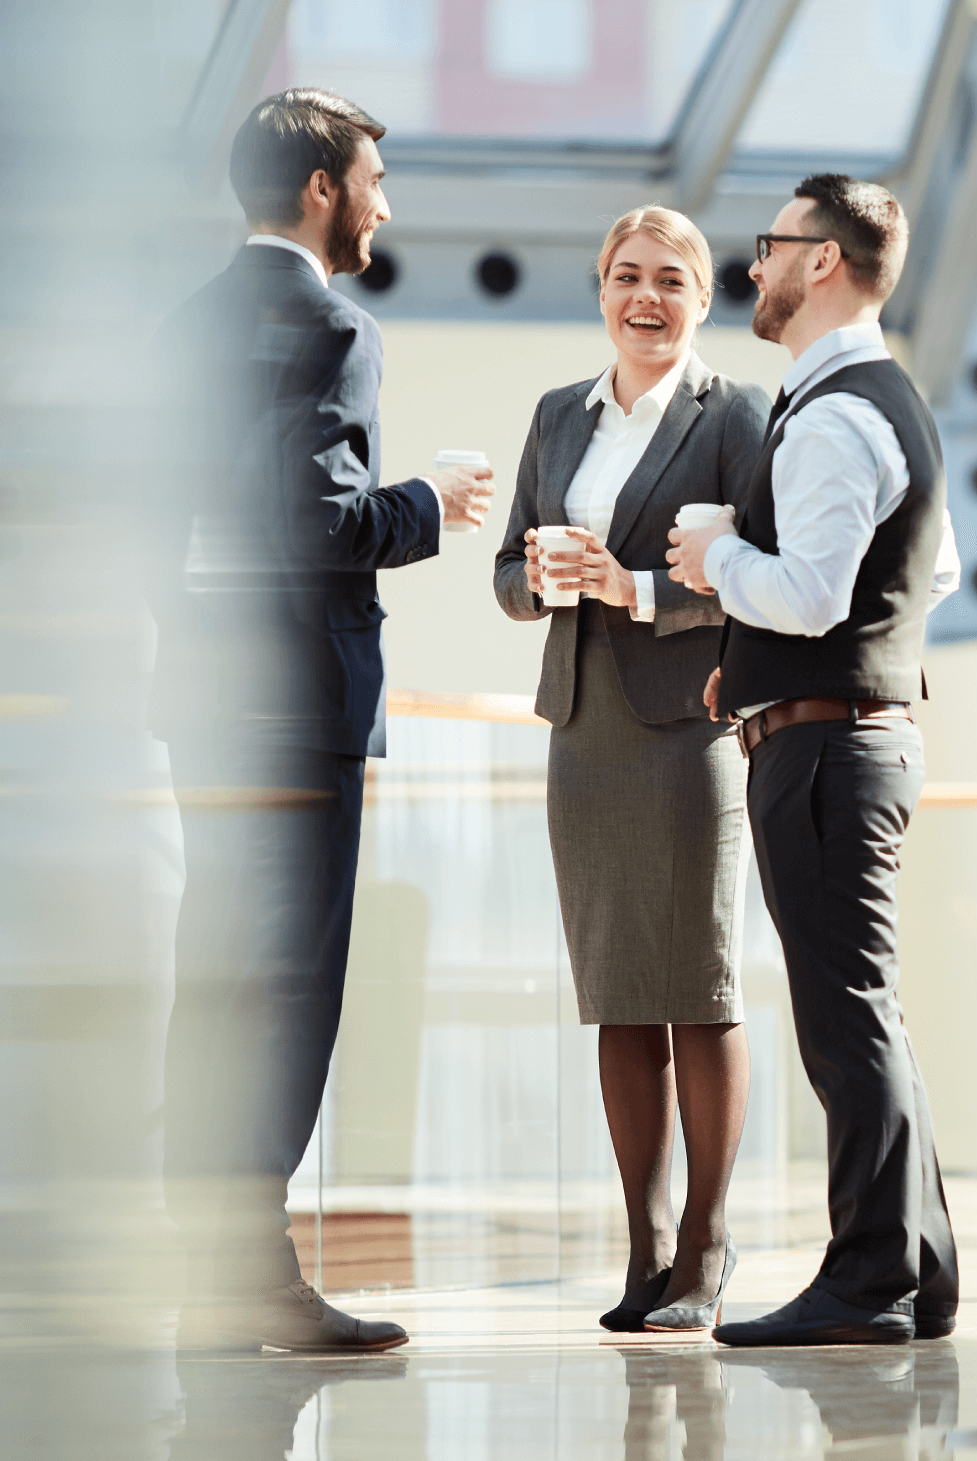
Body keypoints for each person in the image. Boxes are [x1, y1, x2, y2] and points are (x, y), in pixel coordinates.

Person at [149, 88, 494, 1353]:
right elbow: (321, 522)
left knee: (216, 980)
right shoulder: (333, 328)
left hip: (205, 702)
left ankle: (211, 1270)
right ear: (319, 193)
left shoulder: (183, 327)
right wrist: (427, 502)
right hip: (297, 711)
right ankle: (255, 1274)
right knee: (287, 992)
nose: (383, 206)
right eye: (370, 182)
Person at [667, 173, 961, 1346]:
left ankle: (869, 1281)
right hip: (853, 734)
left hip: (829, 753)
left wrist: (718, 557)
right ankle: (917, 1270)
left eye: (771, 246)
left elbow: (814, 591)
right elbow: (929, 570)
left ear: (822, 262)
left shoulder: (836, 413)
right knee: (863, 1014)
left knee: (844, 1022)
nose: (756, 267)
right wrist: (762, 660)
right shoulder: (887, 399)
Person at [494, 207, 769, 1332]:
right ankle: (645, 1244)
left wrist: (637, 592)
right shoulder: (559, 415)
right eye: (624, 277)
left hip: (689, 725)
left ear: (702, 300)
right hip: (583, 728)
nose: (644, 298)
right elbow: (509, 573)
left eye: (668, 280)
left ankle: (707, 1242)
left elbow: (760, 571)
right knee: (616, 996)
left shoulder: (736, 414)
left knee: (697, 988)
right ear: (599, 290)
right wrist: (545, 578)